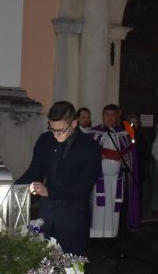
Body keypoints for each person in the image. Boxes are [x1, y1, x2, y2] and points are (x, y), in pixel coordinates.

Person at [15, 101, 101, 255]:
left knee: (70, 272)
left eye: (60, 130)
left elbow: (84, 186)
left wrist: (50, 191)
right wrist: (13, 188)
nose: (55, 135)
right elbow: (34, 171)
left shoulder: (90, 147)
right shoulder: (45, 140)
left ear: (74, 123)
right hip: (46, 216)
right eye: (52, 129)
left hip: (73, 219)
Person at [88, 104, 139, 238]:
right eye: (107, 115)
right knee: (98, 209)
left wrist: (125, 160)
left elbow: (130, 156)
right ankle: (95, 236)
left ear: (116, 117)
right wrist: (96, 156)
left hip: (116, 180)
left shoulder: (123, 134)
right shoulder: (93, 133)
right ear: (102, 116)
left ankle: (111, 236)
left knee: (113, 210)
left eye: (112, 115)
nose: (110, 118)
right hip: (98, 179)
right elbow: (84, 155)